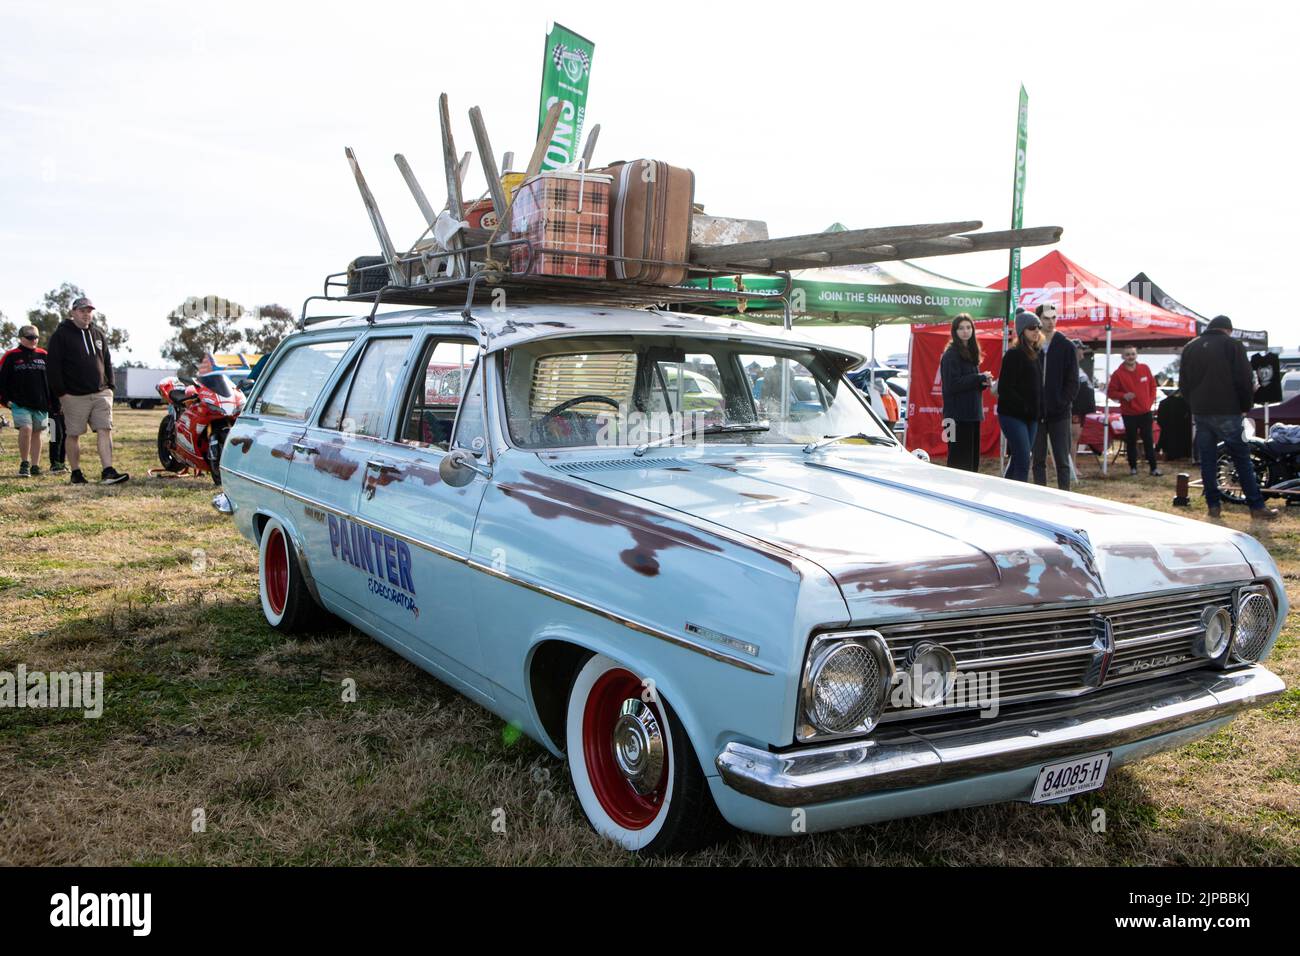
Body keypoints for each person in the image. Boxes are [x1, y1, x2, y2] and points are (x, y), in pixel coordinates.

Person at [1179, 315, 1276, 520]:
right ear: (1228, 330)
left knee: (1208, 460)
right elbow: (1243, 379)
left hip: (1202, 413)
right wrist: (1244, 407)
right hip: (1229, 412)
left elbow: (1183, 384)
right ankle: (1256, 506)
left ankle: (1213, 506)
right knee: (1242, 458)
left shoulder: (1190, 347)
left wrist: (1195, 404)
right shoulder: (1233, 345)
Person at [44, 296, 128, 485]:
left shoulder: (97, 334)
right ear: (73, 312)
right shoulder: (61, 335)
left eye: (89, 311)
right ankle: (76, 473)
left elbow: (106, 360)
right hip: (73, 395)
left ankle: (108, 471)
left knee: (105, 429)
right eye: (82, 311)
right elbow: (53, 366)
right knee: (73, 434)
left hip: (101, 393)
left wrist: (111, 387)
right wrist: (61, 393)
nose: (86, 314)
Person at [1030, 303, 1080, 490]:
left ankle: (1064, 496)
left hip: (1060, 413)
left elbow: (1073, 381)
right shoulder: (1033, 345)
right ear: (1038, 320)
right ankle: (1040, 496)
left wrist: (1061, 402)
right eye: (1046, 318)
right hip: (1036, 412)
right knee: (1038, 459)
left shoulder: (1066, 346)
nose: (1050, 322)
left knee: (1062, 460)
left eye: (1053, 318)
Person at [939, 313, 991, 472]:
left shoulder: (971, 352)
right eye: (961, 328)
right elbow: (952, 384)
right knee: (958, 463)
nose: (965, 331)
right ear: (955, 331)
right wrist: (977, 378)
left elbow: (969, 383)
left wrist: (983, 382)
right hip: (956, 417)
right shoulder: (951, 354)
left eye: (968, 327)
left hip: (972, 414)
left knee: (971, 464)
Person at [0, 326, 52, 476]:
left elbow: (51, 379)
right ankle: (24, 463)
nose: (33, 340)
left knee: (37, 433)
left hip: (41, 403)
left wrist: (52, 401)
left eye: (35, 337)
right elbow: (2, 380)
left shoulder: (44, 355)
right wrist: (6, 400)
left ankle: (35, 466)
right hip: (19, 403)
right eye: (29, 337)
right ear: (21, 338)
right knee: (26, 429)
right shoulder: (11, 356)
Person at [997, 311, 1042, 482]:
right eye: (1032, 327)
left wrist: (1039, 409)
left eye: (1038, 327)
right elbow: (1005, 388)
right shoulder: (1013, 354)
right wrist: (1025, 406)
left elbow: (1037, 387)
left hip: (1031, 416)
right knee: (1023, 457)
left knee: (1019, 457)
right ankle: (1019, 496)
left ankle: (1005, 491)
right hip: (1012, 415)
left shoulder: (1035, 354)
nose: (1036, 330)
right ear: (1022, 331)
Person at [1107, 347, 1161, 476]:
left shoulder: (1145, 368)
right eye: (1127, 354)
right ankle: (1133, 468)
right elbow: (1111, 392)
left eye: (1133, 354)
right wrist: (1123, 395)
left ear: (1136, 355)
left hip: (1145, 412)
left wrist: (1149, 402)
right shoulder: (1118, 374)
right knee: (1131, 440)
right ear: (1123, 357)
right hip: (1129, 413)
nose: (1130, 357)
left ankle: (1153, 468)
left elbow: (1153, 387)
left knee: (1148, 439)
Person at [1070, 340, 1095, 478]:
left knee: (1075, 438)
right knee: (1073, 438)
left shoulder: (1078, 367)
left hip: (1081, 410)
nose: (1083, 352)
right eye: (1080, 349)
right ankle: (1071, 466)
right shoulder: (1069, 367)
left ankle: (1072, 465)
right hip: (1075, 410)